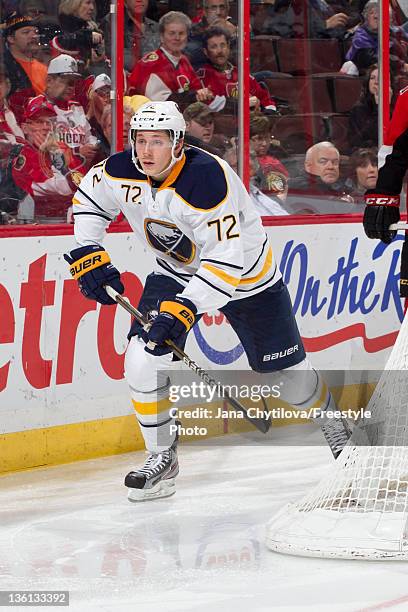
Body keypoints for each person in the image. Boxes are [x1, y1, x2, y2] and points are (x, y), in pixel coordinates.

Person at [65, 100, 351, 501]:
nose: (145, 151)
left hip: (246, 280)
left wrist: (184, 309)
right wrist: (87, 251)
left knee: (288, 377)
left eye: (157, 142)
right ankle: (162, 458)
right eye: (140, 140)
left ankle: (335, 425)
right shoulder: (120, 168)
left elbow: (225, 259)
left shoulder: (207, 179)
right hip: (174, 273)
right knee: (142, 356)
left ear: (178, 142)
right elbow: (90, 202)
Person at [12, 96, 80, 223]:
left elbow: (83, 182)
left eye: (49, 122)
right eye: (39, 121)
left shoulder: (57, 149)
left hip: (67, 221)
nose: (45, 127)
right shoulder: (26, 157)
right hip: (42, 226)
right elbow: (66, 188)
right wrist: (58, 156)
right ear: (25, 128)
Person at [127, 11, 213, 104]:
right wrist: (195, 96)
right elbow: (162, 105)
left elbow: (197, 89)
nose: (177, 38)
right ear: (161, 36)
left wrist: (203, 94)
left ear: (187, 36)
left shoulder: (183, 60)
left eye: (181, 33)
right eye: (172, 33)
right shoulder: (150, 65)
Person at [33, 54, 100, 171]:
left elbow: (89, 136)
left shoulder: (76, 107)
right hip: (53, 180)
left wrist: (92, 146)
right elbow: (43, 152)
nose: (71, 87)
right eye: (67, 82)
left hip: (79, 175)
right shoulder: (38, 107)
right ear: (49, 81)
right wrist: (78, 153)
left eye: (73, 83)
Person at [198, 27, 277, 113]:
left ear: (228, 47)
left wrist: (269, 110)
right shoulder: (202, 77)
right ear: (206, 52)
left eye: (223, 45)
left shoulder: (241, 73)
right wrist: (243, 104)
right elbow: (211, 106)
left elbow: (264, 97)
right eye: (214, 47)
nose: (220, 51)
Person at [3, 12, 48, 121]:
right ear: (11, 39)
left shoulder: (44, 68)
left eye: (35, 32)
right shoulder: (3, 67)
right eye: (26, 32)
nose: (33, 36)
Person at [102, 0, 160, 72]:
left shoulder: (157, 27)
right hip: (127, 78)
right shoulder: (113, 23)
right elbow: (116, 57)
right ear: (125, 3)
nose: (139, 0)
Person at [348, 64, 379, 151]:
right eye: (372, 78)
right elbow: (359, 140)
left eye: (381, 78)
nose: (376, 82)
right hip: (367, 156)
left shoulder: (398, 106)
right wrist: (378, 108)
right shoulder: (358, 109)